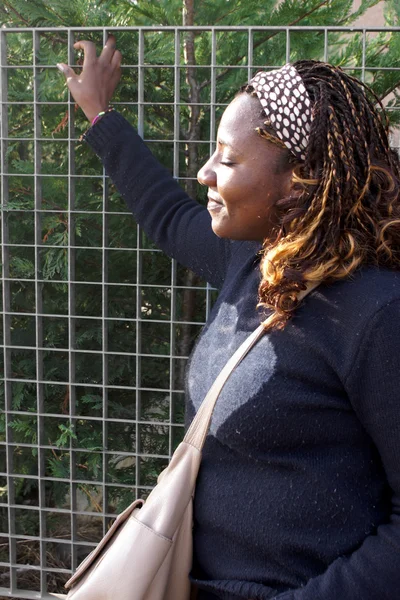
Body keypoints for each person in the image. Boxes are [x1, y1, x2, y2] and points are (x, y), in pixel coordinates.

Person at [57, 35, 400, 600]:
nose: (204, 173)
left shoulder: (377, 316)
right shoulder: (252, 258)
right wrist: (101, 115)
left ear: (300, 182)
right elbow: (165, 212)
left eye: (228, 158)